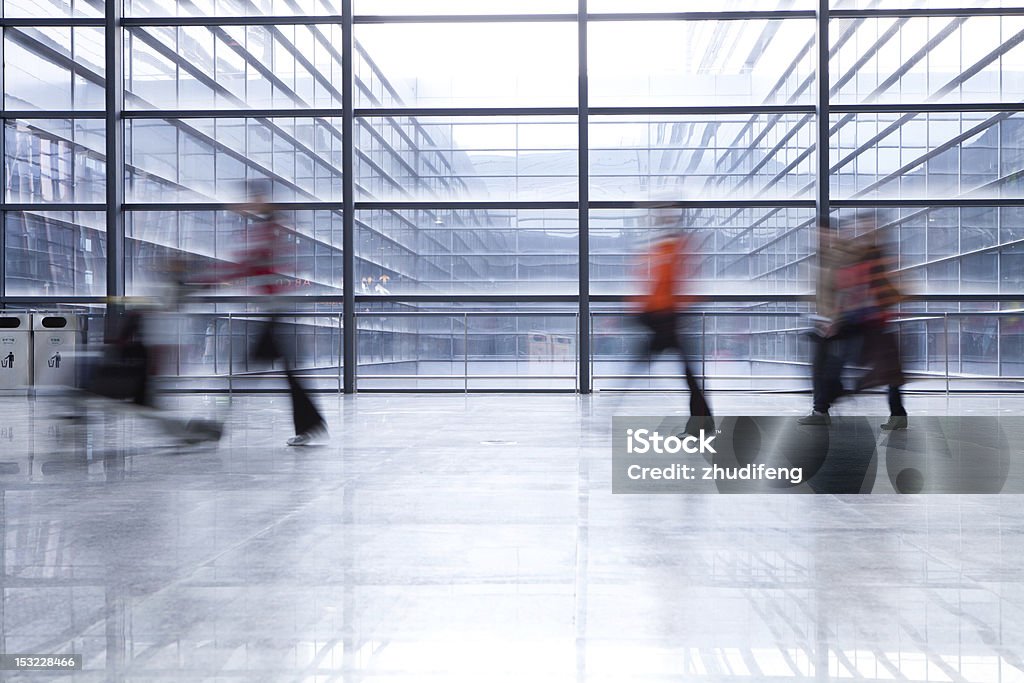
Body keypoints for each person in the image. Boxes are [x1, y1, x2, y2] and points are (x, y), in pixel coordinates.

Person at [230, 181, 327, 446]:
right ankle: (310, 424)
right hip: (278, 309)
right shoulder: (273, 226)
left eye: (252, 198)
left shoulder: (269, 229)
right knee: (279, 370)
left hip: (277, 310)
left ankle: (216, 424)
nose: (248, 203)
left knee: (252, 368)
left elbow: (250, 265)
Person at [800, 218, 907, 429]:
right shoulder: (832, 257)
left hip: (865, 320)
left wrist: (838, 316)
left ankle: (832, 401)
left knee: (885, 370)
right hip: (851, 319)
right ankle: (824, 406)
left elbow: (856, 289)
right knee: (837, 366)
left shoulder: (862, 255)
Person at [634, 226, 712, 431]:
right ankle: (702, 422)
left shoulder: (671, 250)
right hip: (667, 319)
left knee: (688, 375)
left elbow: (669, 285)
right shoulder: (665, 250)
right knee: (689, 375)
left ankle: (702, 423)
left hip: (667, 320)